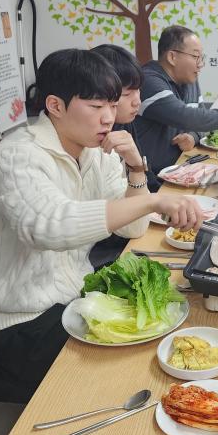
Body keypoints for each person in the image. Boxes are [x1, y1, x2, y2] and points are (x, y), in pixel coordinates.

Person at [0, 49, 202, 402]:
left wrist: (136, 168)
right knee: (132, 374)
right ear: (56, 106)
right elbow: (50, 227)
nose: (109, 118)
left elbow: (132, 230)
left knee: (175, 321)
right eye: (95, 107)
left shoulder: (94, 151)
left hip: (75, 299)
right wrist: (153, 201)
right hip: (19, 318)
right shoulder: (15, 158)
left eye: (112, 105)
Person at [135, 25, 218, 175]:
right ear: (172, 57)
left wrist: (193, 136)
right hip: (149, 178)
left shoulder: (189, 80)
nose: (201, 64)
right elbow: (184, 116)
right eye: (195, 56)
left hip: (181, 169)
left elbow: (202, 122)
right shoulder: (149, 81)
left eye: (201, 57)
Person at [89, 43, 147, 268]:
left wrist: (138, 167)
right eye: (127, 94)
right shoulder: (91, 142)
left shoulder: (124, 125)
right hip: (101, 250)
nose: (137, 101)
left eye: (138, 91)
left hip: (125, 231)